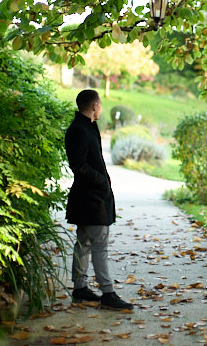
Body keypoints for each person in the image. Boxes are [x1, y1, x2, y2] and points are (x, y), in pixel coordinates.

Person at [64, 89, 133, 311]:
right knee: (99, 246)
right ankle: (107, 293)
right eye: (100, 104)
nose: (101, 108)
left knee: (83, 244)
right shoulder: (80, 130)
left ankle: (81, 289)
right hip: (91, 199)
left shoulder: (85, 127)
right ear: (95, 106)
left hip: (90, 197)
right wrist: (102, 180)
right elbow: (79, 165)